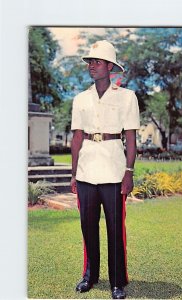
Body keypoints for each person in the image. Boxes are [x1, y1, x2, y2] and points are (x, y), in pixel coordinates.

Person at [70, 40, 140, 299]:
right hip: (87, 170)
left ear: (110, 66)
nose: (91, 65)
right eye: (90, 61)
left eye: (97, 61)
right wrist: (73, 174)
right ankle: (90, 275)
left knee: (114, 228)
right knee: (88, 226)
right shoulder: (80, 99)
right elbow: (77, 138)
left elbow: (130, 138)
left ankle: (118, 281)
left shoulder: (126, 97)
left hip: (113, 169)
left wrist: (129, 172)